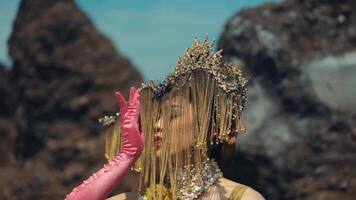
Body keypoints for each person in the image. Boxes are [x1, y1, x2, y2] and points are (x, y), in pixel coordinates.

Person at [65, 38, 265, 200]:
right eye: (157, 117)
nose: (157, 126)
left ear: (209, 125)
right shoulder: (142, 198)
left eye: (173, 114)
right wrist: (126, 156)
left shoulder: (241, 198)